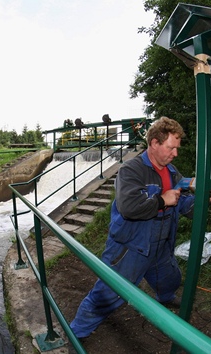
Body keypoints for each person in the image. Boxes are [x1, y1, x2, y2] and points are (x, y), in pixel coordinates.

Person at [70, 116, 195, 338]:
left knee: (170, 279)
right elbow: (129, 207)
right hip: (131, 247)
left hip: (160, 246)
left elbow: (184, 206)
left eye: (177, 148)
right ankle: (76, 334)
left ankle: (165, 298)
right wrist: (161, 200)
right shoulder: (131, 170)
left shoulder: (173, 172)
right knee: (106, 295)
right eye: (171, 148)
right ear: (155, 143)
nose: (175, 153)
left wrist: (203, 198)